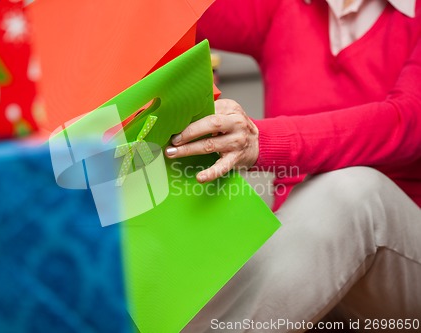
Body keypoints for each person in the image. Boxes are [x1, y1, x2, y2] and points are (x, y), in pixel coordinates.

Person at [164, 0, 421, 331]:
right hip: (306, 260)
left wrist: (262, 141)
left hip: (405, 265)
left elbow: (407, 123)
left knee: (354, 191)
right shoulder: (285, 8)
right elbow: (164, 13)